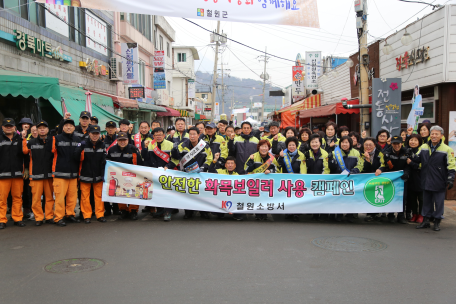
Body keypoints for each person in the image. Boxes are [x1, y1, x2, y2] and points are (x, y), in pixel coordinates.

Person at [413, 126, 455, 231]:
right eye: (432, 134)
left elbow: (451, 165)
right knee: (426, 202)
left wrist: (450, 178)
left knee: (439, 203)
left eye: (436, 134)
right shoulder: (423, 147)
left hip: (439, 180)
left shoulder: (447, 149)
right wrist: (411, 156)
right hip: (426, 179)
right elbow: (417, 159)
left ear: (441, 136)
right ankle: (426, 221)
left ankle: (437, 221)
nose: (434, 136)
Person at [175, 127, 213, 219]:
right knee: (188, 193)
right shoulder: (183, 145)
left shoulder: (205, 145)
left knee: (202, 193)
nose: (192, 136)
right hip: (187, 173)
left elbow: (209, 159)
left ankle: (203, 211)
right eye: (190, 134)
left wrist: (204, 167)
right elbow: (176, 156)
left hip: (201, 173)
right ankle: (188, 212)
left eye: (194, 134)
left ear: (198, 135)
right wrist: (174, 149)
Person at [22, 121, 54, 226]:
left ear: (48, 130)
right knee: (36, 199)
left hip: (49, 175)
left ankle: (49, 216)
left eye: (44, 128)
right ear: (36, 130)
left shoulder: (51, 141)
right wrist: (23, 138)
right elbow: (24, 153)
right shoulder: (31, 142)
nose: (42, 129)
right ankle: (38, 218)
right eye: (40, 128)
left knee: (49, 198)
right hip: (35, 175)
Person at [51, 118, 82, 227]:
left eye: (71, 126)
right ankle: (59, 217)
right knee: (59, 198)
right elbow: (51, 153)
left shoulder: (78, 140)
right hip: (60, 173)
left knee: (72, 197)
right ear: (62, 127)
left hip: (73, 174)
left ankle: (70, 214)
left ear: (74, 128)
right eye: (66, 125)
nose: (68, 127)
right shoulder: (56, 138)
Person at [106, 132, 143, 220]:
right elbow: (109, 162)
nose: (122, 142)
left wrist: (136, 154)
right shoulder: (112, 149)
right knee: (120, 193)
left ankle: (133, 211)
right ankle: (123, 211)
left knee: (134, 193)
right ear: (117, 141)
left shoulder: (133, 149)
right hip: (118, 176)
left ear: (128, 140)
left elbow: (140, 163)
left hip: (132, 176)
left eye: (124, 140)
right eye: (120, 140)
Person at [74, 125, 107, 224]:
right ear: (89, 134)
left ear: (99, 134)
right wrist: (80, 147)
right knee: (85, 197)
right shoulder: (83, 144)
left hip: (98, 176)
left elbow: (104, 161)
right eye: (93, 133)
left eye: (97, 134)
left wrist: (103, 175)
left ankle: (100, 215)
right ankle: (86, 215)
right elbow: (76, 157)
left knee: (99, 197)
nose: (95, 136)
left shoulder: (102, 145)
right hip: (85, 175)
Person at [0, 118, 29, 229]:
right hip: (2, 174)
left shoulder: (20, 139)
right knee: (2, 199)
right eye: (6, 126)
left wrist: (26, 168)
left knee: (17, 197)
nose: (8, 127)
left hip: (17, 174)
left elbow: (25, 154)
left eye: (10, 126)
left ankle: (18, 218)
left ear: (14, 127)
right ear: (2, 127)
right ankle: (2, 220)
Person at [143, 127, 177, 222]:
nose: (158, 137)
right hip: (155, 172)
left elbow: (175, 159)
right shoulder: (150, 145)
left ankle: (167, 212)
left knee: (167, 192)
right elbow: (145, 158)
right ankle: (161, 210)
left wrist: (168, 166)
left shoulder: (170, 144)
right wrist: (145, 148)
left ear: (164, 135)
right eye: (156, 135)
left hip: (167, 172)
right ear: (153, 136)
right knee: (157, 192)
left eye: (160, 135)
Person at [328, 136, 364, 222]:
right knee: (337, 197)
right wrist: (331, 161)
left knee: (350, 197)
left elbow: (360, 164)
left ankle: (350, 215)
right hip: (338, 178)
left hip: (351, 178)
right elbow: (331, 167)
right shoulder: (334, 153)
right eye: (343, 142)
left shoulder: (356, 152)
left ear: (350, 143)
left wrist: (355, 171)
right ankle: (339, 214)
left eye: (346, 142)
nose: (344, 144)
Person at [245, 139, 280, 220]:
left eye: (266, 147)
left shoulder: (272, 158)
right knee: (257, 197)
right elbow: (247, 169)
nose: (264, 148)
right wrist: (251, 160)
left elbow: (277, 169)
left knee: (265, 198)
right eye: (262, 146)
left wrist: (270, 171)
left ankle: (264, 214)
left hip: (267, 183)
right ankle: (257, 214)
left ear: (268, 148)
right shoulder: (253, 156)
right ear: (259, 147)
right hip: (255, 183)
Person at [277, 137, 306, 221]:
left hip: (297, 180)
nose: (291, 147)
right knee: (287, 196)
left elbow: (303, 168)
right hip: (286, 180)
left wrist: (302, 178)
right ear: (287, 146)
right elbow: (279, 166)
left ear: (296, 146)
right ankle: (288, 212)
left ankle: (296, 213)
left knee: (297, 197)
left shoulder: (301, 155)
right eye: (289, 145)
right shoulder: (283, 154)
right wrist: (281, 157)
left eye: (293, 145)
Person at [383, 136, 411, 224]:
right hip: (391, 178)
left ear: (401, 143)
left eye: (398, 143)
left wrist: (406, 173)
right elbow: (385, 165)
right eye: (394, 143)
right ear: (391, 144)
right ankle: (390, 215)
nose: (396, 145)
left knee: (402, 197)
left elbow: (409, 165)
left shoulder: (407, 152)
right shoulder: (387, 152)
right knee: (391, 196)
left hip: (403, 178)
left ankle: (401, 216)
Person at [305, 134, 330, 221]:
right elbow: (305, 167)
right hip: (311, 180)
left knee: (322, 197)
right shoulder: (307, 153)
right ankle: (315, 215)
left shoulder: (325, 153)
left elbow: (326, 168)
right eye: (312, 142)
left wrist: (322, 178)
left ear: (320, 143)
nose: (314, 144)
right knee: (313, 198)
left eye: (316, 142)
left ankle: (323, 215)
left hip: (322, 179)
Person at [361, 137, 387, 222]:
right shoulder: (361, 154)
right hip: (366, 178)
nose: (368, 146)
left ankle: (377, 213)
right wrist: (367, 160)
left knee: (377, 196)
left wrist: (380, 169)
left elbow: (383, 164)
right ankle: (370, 214)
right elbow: (363, 168)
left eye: (370, 145)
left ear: (375, 145)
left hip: (378, 178)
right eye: (366, 145)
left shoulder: (380, 154)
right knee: (368, 196)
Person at [208, 154, 240, 220]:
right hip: (221, 198)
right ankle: (221, 212)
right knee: (218, 215)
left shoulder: (238, 176)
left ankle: (235, 213)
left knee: (240, 213)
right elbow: (210, 171)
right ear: (225, 165)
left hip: (233, 198)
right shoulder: (220, 172)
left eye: (232, 163)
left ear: (235, 165)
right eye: (228, 163)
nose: (230, 165)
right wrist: (215, 160)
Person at [406, 133, 424, 223]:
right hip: (410, 178)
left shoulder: (422, 151)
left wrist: (411, 163)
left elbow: (423, 165)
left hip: (420, 177)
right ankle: (414, 214)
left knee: (421, 198)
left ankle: (421, 215)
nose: (413, 142)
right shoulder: (406, 150)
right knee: (412, 198)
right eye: (411, 140)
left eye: (415, 140)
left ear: (419, 142)